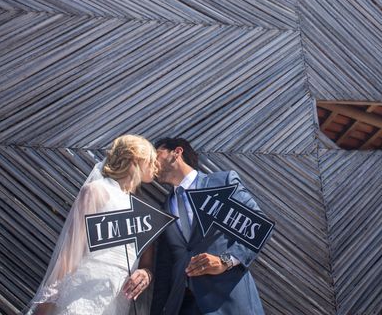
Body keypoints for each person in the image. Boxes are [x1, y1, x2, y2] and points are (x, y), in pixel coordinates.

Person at [24, 134, 157, 315]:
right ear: (136, 158)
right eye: (151, 159)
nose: (156, 166)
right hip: (84, 292)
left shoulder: (145, 210)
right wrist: (47, 301)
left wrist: (145, 274)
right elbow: (71, 252)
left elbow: (146, 262)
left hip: (119, 297)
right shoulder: (98, 191)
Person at [141, 137, 266, 315]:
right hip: (183, 304)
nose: (151, 162)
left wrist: (225, 261)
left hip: (229, 300)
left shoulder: (223, 183)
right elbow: (164, 266)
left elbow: (259, 227)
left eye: (156, 154)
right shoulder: (164, 208)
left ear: (176, 153)